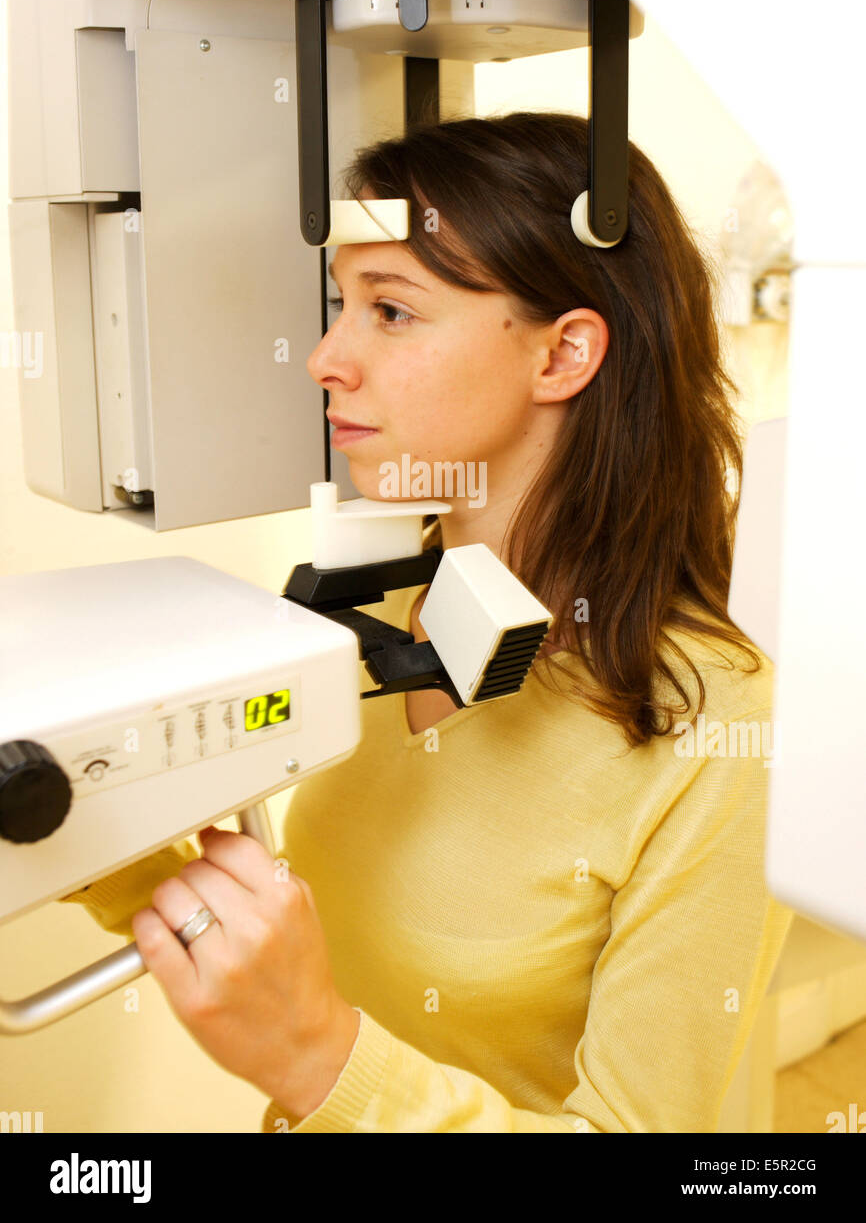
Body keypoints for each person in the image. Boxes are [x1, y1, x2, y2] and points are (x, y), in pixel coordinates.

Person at [61, 111, 793, 1132]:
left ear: (562, 354)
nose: (325, 356)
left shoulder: (716, 729)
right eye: (337, 306)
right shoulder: (375, 609)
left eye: (390, 311)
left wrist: (321, 1060)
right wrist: (72, 820)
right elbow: (264, 923)